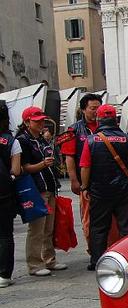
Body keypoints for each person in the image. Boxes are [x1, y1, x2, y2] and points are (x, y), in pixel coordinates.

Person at [79, 105, 128, 271]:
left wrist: (85, 186)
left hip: (99, 191)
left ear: (99, 120)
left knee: (98, 227)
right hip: (123, 190)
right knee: (124, 226)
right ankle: (126, 258)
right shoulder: (127, 139)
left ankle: (97, 260)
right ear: (116, 120)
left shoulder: (91, 141)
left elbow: (85, 167)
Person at [61, 93, 118, 250]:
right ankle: (94, 250)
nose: (96, 111)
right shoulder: (74, 130)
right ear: (83, 109)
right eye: (93, 108)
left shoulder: (109, 127)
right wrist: (74, 180)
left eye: (98, 108)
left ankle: (112, 249)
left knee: (112, 220)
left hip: (110, 182)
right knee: (89, 218)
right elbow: (69, 157)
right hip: (87, 183)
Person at [17, 106, 67, 276]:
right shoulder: (22, 140)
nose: (41, 123)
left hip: (50, 186)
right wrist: (42, 164)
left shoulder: (41, 139)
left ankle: (49, 259)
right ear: (27, 122)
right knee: (37, 229)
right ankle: (34, 264)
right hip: (36, 188)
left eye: (42, 120)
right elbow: (23, 168)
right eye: (36, 121)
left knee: (48, 228)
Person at [0, 100, 21, 287]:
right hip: (4, 194)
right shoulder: (11, 141)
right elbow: (16, 170)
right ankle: (5, 274)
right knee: (6, 234)